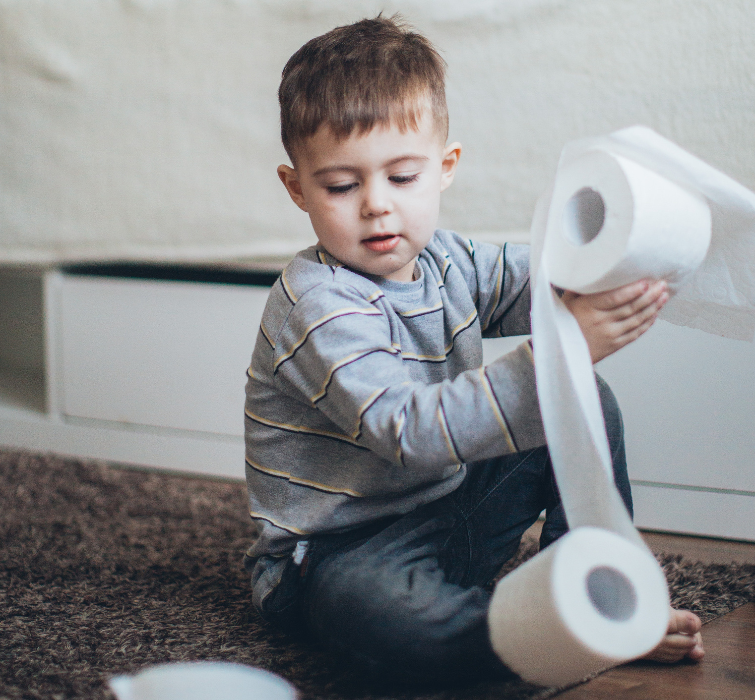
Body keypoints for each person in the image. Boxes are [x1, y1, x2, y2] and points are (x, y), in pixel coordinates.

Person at [243, 14, 704, 685]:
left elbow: (544, 278)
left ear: (444, 168)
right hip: (337, 555)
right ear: (297, 188)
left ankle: (596, 598)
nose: (376, 205)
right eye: (341, 186)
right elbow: (407, 431)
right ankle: (538, 638)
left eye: (401, 177)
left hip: (450, 511)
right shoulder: (317, 303)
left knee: (582, 400)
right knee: (388, 618)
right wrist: (565, 346)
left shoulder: (448, 259)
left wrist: (617, 256)